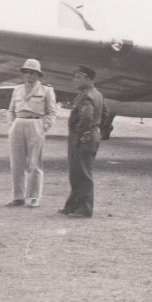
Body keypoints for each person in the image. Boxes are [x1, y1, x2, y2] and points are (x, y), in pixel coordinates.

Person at [6, 58, 57, 208]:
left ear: (38, 75)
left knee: (34, 162)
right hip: (19, 122)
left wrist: (43, 126)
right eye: (26, 72)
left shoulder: (46, 90)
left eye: (32, 73)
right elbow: (10, 110)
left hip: (36, 123)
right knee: (17, 162)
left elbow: (52, 112)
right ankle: (18, 197)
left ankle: (34, 197)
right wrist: (12, 125)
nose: (28, 75)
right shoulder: (17, 89)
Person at [59, 65, 104, 219]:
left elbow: (86, 117)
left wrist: (81, 133)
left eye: (79, 77)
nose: (75, 80)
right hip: (90, 134)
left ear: (89, 79)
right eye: (75, 77)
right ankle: (72, 206)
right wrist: (97, 129)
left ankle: (84, 208)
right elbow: (105, 112)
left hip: (82, 136)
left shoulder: (86, 96)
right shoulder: (96, 94)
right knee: (78, 172)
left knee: (81, 172)